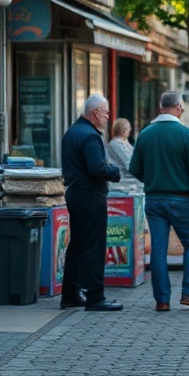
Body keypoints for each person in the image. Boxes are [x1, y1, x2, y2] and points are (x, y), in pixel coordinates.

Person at [129, 91, 189, 311]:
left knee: (158, 249)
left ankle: (162, 300)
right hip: (181, 199)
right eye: (182, 108)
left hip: (155, 200)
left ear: (160, 107)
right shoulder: (186, 134)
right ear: (178, 107)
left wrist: (152, 181)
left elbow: (134, 168)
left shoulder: (145, 134)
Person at [60, 94, 122, 311]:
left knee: (76, 245)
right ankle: (95, 297)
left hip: (75, 194)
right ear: (95, 113)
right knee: (94, 248)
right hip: (90, 197)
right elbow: (96, 168)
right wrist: (115, 172)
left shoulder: (72, 132)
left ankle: (70, 294)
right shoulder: (90, 136)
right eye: (105, 113)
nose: (107, 118)